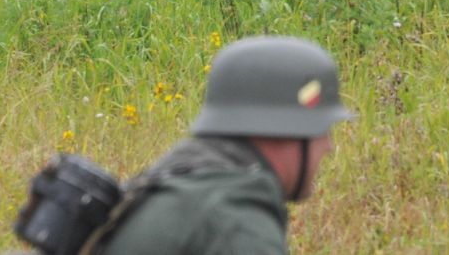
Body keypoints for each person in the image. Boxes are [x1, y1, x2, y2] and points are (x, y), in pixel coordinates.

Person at [91, 36, 353, 255]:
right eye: (321, 129)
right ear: (286, 129)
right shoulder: (235, 221)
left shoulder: (186, 177)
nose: (328, 146)